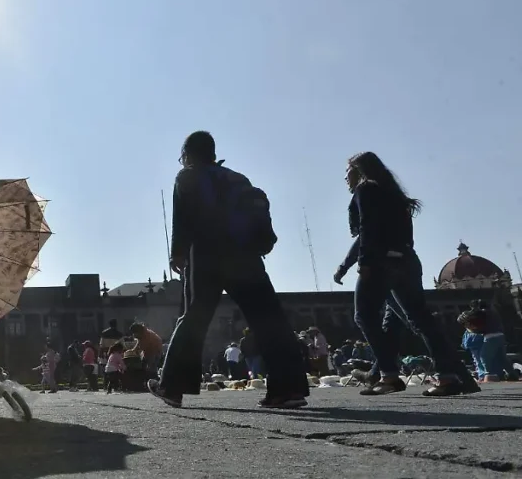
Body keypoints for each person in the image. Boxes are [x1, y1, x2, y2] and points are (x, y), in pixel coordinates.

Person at [148, 131, 309, 409]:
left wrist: (178, 252)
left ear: (188, 154)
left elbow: (182, 216)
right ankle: (288, 389)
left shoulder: (188, 176)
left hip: (208, 253)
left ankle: (172, 387)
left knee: (195, 317)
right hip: (246, 255)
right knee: (268, 318)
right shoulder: (238, 178)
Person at [342, 151, 474, 397]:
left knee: (365, 316)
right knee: (419, 319)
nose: (344, 177)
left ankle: (389, 375)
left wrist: (365, 262)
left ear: (358, 170)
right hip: (406, 259)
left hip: (381, 261)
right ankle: (448, 376)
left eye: (347, 171)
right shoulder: (394, 195)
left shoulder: (366, 189)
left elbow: (366, 229)